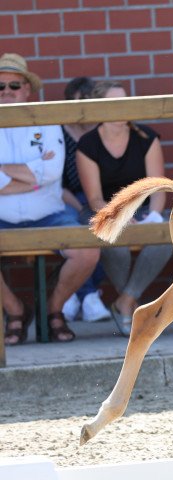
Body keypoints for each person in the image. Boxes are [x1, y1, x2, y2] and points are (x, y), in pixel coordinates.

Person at [0, 53, 100, 344]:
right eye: (0, 86)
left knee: (87, 251)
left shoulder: (46, 119)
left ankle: (51, 310)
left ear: (27, 89)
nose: (6, 92)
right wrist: (32, 175)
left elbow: (52, 172)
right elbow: (40, 174)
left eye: (14, 86)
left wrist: (6, 176)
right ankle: (15, 311)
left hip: (49, 213)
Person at [76, 80, 173, 337]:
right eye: (115, 102)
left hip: (142, 209)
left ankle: (125, 301)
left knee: (167, 233)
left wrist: (153, 216)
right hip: (104, 209)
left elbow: (157, 187)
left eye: (125, 100)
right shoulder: (88, 144)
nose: (123, 107)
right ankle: (129, 303)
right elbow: (94, 197)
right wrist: (117, 215)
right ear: (100, 107)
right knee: (113, 240)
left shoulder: (146, 138)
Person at [60, 76, 112, 323]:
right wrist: (80, 206)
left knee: (99, 226)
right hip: (66, 199)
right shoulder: (59, 131)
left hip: (103, 198)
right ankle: (89, 296)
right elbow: (55, 183)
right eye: (77, 103)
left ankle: (76, 295)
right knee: (81, 226)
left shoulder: (106, 130)